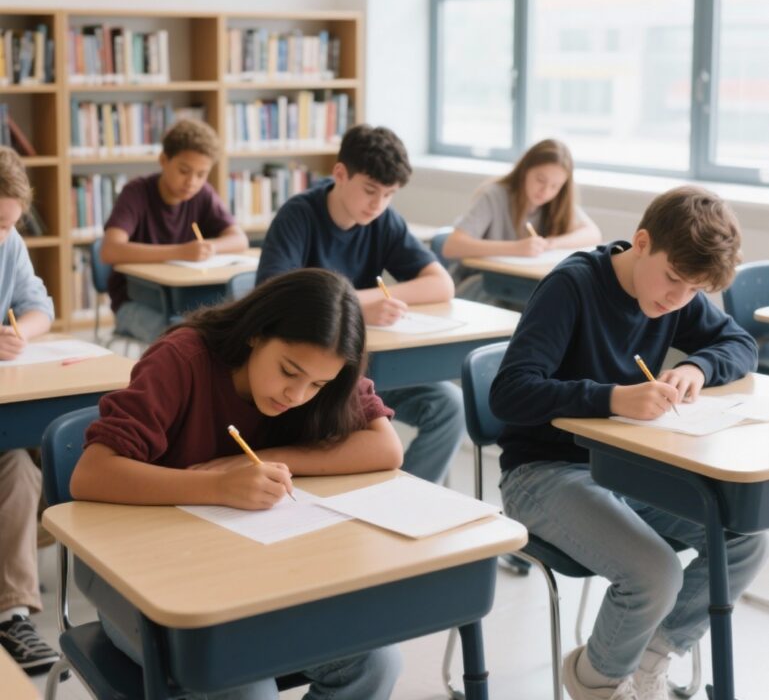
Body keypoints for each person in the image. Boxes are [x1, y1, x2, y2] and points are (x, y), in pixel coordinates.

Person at [70, 268, 403, 700]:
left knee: (376, 664)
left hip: (257, 581)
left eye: (318, 384)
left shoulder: (323, 369)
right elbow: (90, 475)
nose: (297, 395)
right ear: (255, 333)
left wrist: (283, 460)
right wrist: (215, 486)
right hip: (144, 586)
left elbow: (385, 448)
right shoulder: (182, 359)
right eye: (289, 372)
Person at [489, 186, 767, 700]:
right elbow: (510, 392)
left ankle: (646, 662)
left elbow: (737, 341)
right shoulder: (573, 286)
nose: (678, 299)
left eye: (693, 291)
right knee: (656, 570)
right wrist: (611, 398)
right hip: (543, 473)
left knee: (743, 535)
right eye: (673, 282)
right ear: (641, 244)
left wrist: (697, 364)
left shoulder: (675, 286)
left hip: (622, 467)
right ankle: (595, 677)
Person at [256, 124, 465, 485]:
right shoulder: (298, 216)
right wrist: (354, 310)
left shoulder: (383, 220)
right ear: (340, 174)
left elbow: (441, 284)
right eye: (370, 190)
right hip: (318, 375)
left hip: (372, 369)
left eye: (389, 195)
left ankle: (407, 501)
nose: (378, 204)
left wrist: (362, 303)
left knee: (449, 407)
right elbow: (273, 298)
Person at [100, 118, 248, 344]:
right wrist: (180, 251)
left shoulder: (202, 194)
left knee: (228, 329)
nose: (192, 182)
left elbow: (239, 239)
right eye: (184, 170)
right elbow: (110, 250)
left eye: (201, 174)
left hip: (185, 301)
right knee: (183, 338)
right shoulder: (136, 193)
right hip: (134, 302)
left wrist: (210, 247)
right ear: (163, 160)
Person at [0, 146, 59, 674]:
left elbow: (40, 306)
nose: (3, 235)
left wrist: (20, 332)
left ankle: (12, 614)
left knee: (21, 466)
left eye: (9, 224)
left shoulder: (9, 240)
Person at [443, 138, 601, 302]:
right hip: (480, 284)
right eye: (540, 180)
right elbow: (452, 246)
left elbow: (593, 233)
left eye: (555, 186)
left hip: (521, 286)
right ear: (525, 170)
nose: (545, 191)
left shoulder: (557, 203)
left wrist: (552, 243)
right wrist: (515, 248)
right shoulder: (495, 195)